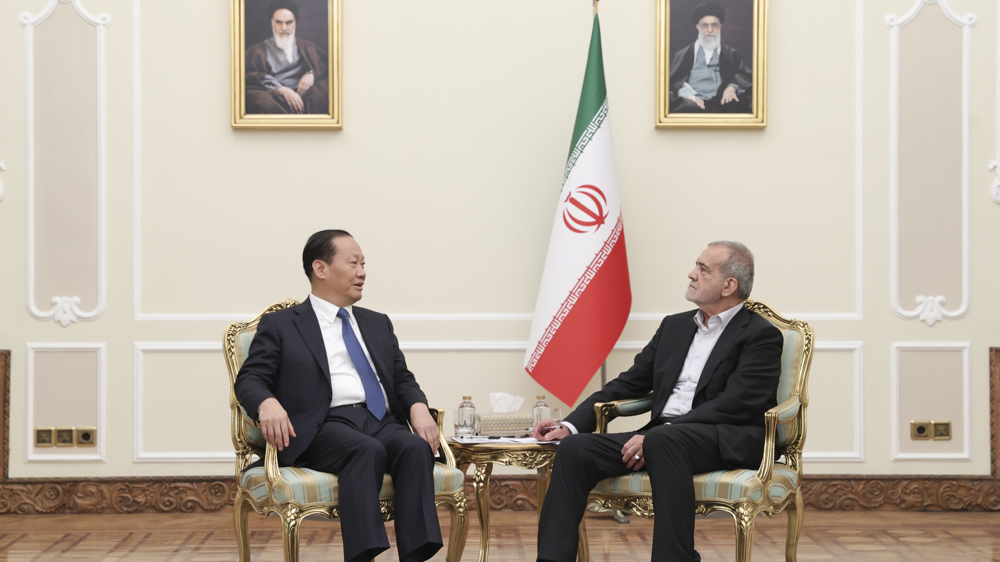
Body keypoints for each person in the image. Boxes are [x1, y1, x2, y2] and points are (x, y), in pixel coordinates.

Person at [533, 241, 783, 562]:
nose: (691, 273)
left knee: (664, 439)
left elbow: (736, 403)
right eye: (696, 265)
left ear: (728, 286)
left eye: (703, 269)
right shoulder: (674, 326)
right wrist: (570, 425)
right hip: (663, 438)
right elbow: (628, 382)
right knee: (575, 449)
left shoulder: (760, 335)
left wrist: (656, 435)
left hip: (724, 437)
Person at [234, 230, 442, 562]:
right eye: (353, 263)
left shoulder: (377, 323)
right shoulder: (282, 325)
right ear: (321, 268)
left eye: (364, 264)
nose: (362, 272)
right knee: (365, 449)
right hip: (323, 425)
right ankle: (362, 555)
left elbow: (401, 377)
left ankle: (416, 556)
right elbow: (250, 378)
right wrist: (267, 402)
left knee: (414, 448)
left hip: (378, 419)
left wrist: (417, 406)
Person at [245, 0, 329, 114]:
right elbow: (251, 75)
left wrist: (311, 74)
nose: (284, 28)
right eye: (279, 22)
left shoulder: (307, 46)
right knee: (260, 99)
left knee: (322, 91)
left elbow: (325, 65)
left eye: (289, 22)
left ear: (295, 23)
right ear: (272, 23)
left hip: (304, 95)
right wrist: (281, 89)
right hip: (274, 95)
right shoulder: (257, 51)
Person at [669, 1, 753, 114]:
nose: (710, 30)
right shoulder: (684, 54)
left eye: (714, 25)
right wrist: (690, 96)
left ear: (721, 26)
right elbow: (674, 82)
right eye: (705, 25)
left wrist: (732, 87)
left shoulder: (731, 54)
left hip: (723, 102)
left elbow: (744, 76)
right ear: (698, 27)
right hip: (694, 103)